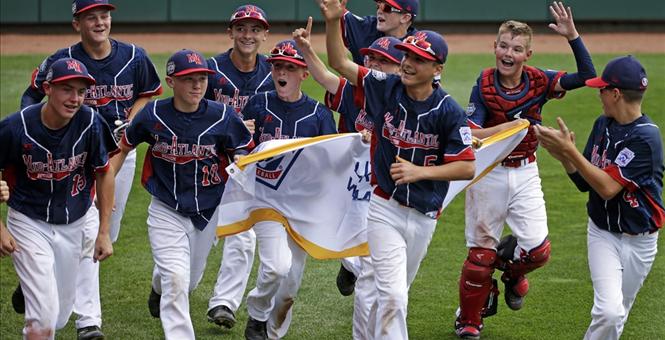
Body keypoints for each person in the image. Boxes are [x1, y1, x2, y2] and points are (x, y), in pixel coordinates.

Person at [321, 1, 476, 338]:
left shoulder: (448, 111)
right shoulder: (384, 86)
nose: (408, 63)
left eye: (419, 59)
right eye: (407, 56)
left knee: (386, 291)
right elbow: (339, 63)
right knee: (391, 294)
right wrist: (333, 22)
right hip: (382, 207)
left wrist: (422, 173)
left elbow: (466, 167)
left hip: (424, 215)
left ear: (437, 69)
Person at [17, 1, 163, 338]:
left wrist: (130, 120)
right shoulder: (61, 59)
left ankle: (41, 278)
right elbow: (31, 97)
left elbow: (148, 94)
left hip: (118, 156)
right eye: (90, 17)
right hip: (73, 157)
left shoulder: (133, 56)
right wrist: (40, 131)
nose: (99, 22)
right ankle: (88, 321)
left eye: (104, 15)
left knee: (104, 234)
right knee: (83, 228)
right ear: (76, 24)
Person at [454, 2, 596, 339]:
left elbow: (588, 77)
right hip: (488, 172)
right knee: (479, 256)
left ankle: (512, 275)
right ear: (494, 47)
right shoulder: (485, 83)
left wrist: (572, 36)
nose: (508, 53)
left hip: (526, 170)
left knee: (537, 250)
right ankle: (469, 320)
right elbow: (469, 132)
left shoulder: (540, 81)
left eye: (517, 48)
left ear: (527, 54)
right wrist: (510, 129)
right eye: (503, 45)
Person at [116, 49, 253, 339]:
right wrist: (101, 186)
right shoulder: (152, 114)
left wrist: (241, 159)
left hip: (208, 210)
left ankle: (157, 286)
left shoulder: (223, 116)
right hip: (166, 207)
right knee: (177, 280)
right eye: (188, 79)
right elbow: (123, 147)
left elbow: (242, 149)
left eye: (202, 78)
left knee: (186, 282)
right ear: (170, 81)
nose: (197, 85)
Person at [535, 55, 663, 340]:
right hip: (603, 234)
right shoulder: (603, 124)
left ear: (616, 94)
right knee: (610, 312)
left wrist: (570, 152)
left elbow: (607, 187)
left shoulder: (646, 138)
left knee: (616, 316)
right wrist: (563, 157)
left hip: (641, 243)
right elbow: (586, 182)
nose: (598, 94)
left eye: (602, 89)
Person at [293, 17, 403, 339]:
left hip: (386, 193)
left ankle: (354, 270)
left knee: (379, 272)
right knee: (363, 259)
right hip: (348, 185)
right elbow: (328, 77)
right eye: (371, 58)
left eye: (385, 61)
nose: (375, 64)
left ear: (399, 68)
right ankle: (351, 267)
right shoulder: (355, 92)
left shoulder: (406, 101)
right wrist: (307, 51)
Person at [0, 57, 116, 340]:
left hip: (74, 221)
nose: (75, 98)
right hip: (29, 221)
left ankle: (36, 290)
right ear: (48, 88)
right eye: (67, 89)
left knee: (61, 315)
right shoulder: (17, 126)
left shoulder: (91, 122)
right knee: (44, 318)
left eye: (80, 91)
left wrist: (103, 232)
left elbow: (104, 172)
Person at [241, 39, 338, 340]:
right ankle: (257, 315)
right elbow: (242, 150)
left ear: (304, 73)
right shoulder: (258, 104)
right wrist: (241, 139)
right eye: (277, 66)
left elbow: (332, 161)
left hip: (301, 205)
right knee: (276, 267)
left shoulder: (319, 115)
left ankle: (272, 333)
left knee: (291, 282)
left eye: (290, 67)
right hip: (266, 199)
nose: (282, 71)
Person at [205, 4, 275, 330]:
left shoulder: (274, 72)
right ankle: (161, 284)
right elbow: (191, 111)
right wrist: (227, 125)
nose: (248, 35)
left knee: (243, 236)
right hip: (205, 161)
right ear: (230, 32)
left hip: (247, 166)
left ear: (264, 34)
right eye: (241, 28)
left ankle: (224, 302)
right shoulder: (210, 70)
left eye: (255, 29)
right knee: (195, 236)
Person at [335, 0, 418, 65]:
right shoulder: (366, 28)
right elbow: (333, 9)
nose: (379, 11)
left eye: (387, 8)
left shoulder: (418, 46)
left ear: (405, 18)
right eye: (378, 6)